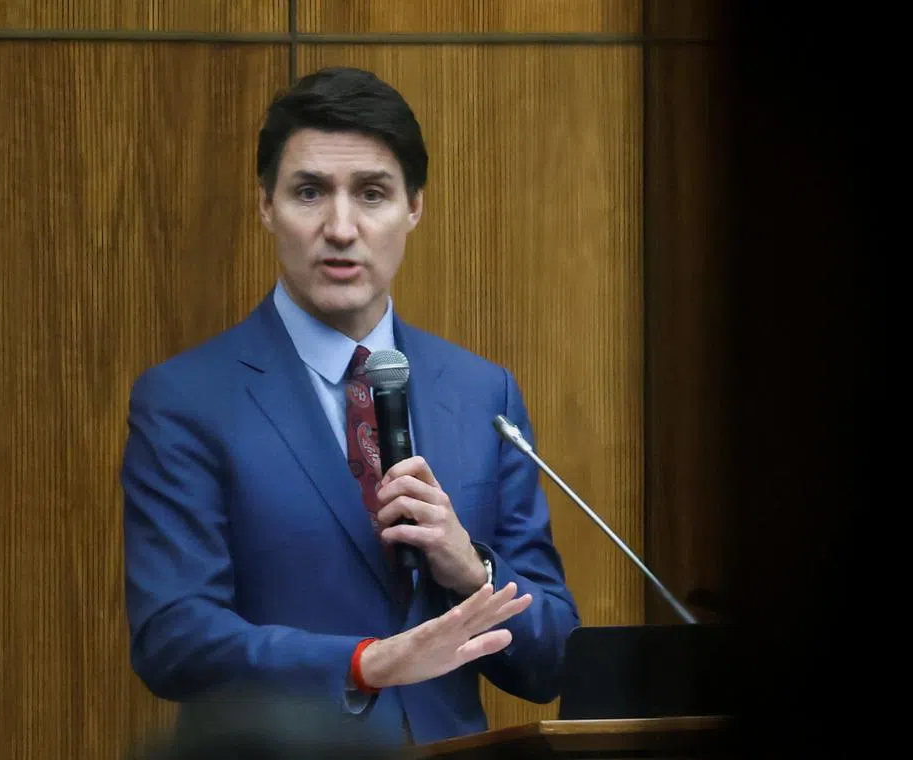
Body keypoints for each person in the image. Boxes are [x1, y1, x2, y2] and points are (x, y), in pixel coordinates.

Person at [120, 66, 580, 747]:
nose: (341, 227)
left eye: (372, 193)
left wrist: (470, 567)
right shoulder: (186, 400)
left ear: (415, 207)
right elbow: (174, 638)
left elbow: (553, 658)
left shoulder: (483, 393)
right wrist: (363, 664)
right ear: (266, 206)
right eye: (310, 192)